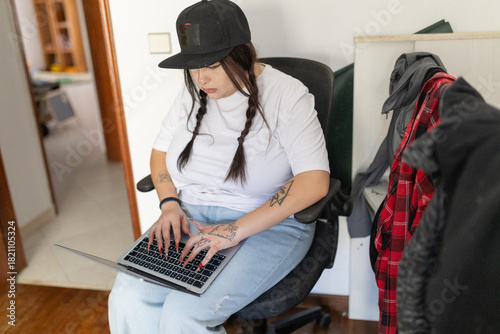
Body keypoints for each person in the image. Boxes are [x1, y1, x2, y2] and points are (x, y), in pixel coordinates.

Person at [108, 0, 330, 333]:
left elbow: (314, 182)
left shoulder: (288, 95)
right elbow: (159, 155)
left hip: (266, 226)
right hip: (191, 219)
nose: (201, 78)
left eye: (210, 65)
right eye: (192, 67)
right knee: (128, 297)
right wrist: (169, 205)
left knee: (184, 313)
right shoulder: (193, 94)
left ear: (242, 52)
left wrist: (234, 231)